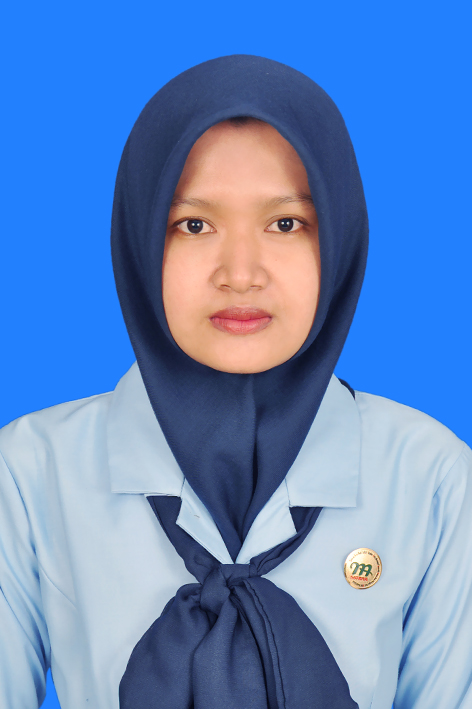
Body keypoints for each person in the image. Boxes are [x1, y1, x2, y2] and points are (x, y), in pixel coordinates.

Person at [0, 54, 471, 709]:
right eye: (194, 225)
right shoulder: (29, 470)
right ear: (140, 238)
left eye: (286, 223)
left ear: (338, 239)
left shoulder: (431, 475)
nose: (241, 273)